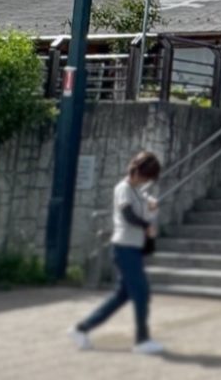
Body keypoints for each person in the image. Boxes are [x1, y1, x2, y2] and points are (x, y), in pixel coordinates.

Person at [69, 151, 162, 355]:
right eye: (147, 175)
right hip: (124, 248)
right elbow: (128, 216)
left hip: (132, 248)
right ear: (138, 171)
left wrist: (152, 208)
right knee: (141, 292)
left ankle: (81, 329)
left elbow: (146, 209)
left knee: (121, 296)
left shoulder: (138, 191)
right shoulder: (123, 189)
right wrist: (147, 225)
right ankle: (142, 339)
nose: (148, 180)